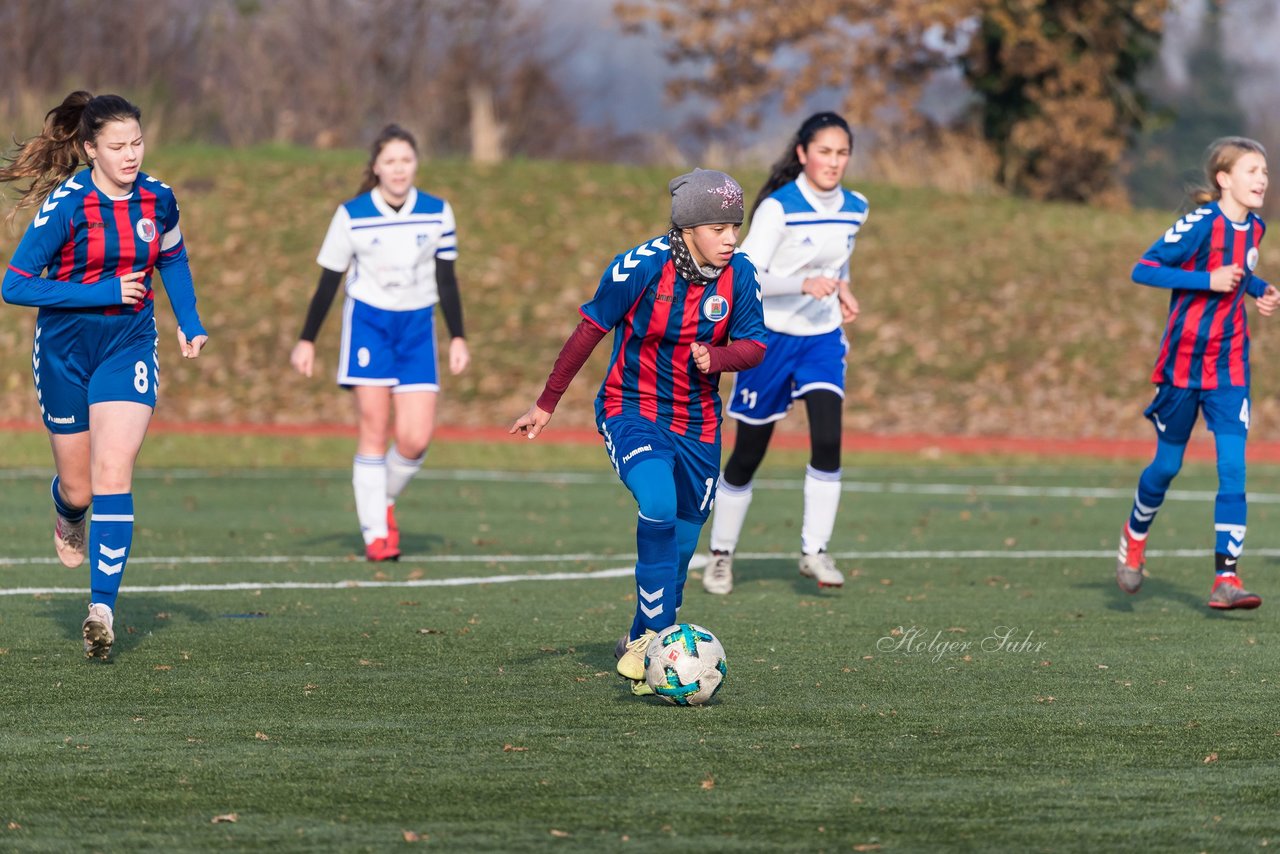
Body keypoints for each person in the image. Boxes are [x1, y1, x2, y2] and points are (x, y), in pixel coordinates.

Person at [510, 168, 767, 693]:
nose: (730, 238)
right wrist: (546, 403)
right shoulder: (640, 268)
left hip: (699, 424)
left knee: (680, 547)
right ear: (689, 227)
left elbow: (755, 347)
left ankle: (642, 641)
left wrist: (715, 357)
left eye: (734, 226)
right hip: (632, 408)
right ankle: (653, 636)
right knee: (655, 500)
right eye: (718, 227)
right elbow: (589, 330)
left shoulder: (740, 275)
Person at [1, 91, 208, 659]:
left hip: (130, 344)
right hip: (65, 350)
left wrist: (189, 321)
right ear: (90, 148)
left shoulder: (159, 200)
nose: (131, 154)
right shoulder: (69, 205)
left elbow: (173, 257)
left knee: (114, 470)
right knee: (81, 487)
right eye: (117, 146)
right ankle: (68, 512)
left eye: (137, 142)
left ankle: (101, 610)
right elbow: (14, 285)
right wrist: (101, 292)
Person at [701, 111, 865, 595]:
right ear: (802, 154)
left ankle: (815, 550)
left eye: (841, 153)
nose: (833, 163)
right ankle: (721, 554)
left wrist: (844, 289)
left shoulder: (856, 206)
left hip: (821, 339)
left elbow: (839, 260)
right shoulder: (778, 208)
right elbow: (744, 276)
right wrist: (801, 283)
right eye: (824, 152)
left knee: (829, 440)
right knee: (749, 453)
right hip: (769, 340)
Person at [290, 124, 469, 562]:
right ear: (376, 167)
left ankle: (380, 499)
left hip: (417, 328)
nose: (398, 169)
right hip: (368, 325)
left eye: (406, 160)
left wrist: (458, 336)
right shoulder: (351, 215)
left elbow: (447, 280)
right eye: (390, 161)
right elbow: (328, 282)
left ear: (415, 164)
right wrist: (306, 340)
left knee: (415, 439)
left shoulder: (437, 212)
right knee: (373, 428)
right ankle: (376, 533)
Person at [1116, 136, 1279, 609]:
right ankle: (1135, 536)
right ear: (1224, 179)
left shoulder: (1256, 229)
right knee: (1167, 467)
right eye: (1252, 171)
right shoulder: (1199, 225)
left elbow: (1242, 272)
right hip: (1182, 366)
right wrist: (1203, 280)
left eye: (1265, 172)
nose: (1262, 179)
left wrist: (1261, 289)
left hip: (1230, 368)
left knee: (1234, 470)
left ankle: (1225, 578)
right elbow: (1143, 269)